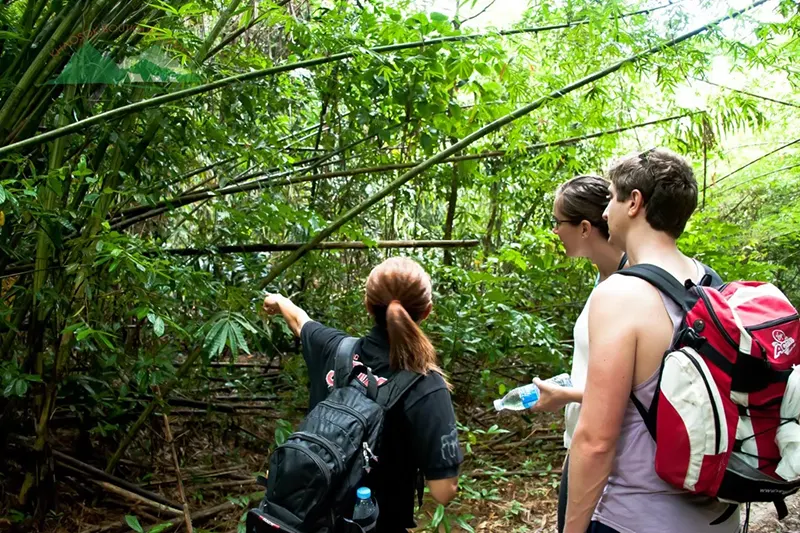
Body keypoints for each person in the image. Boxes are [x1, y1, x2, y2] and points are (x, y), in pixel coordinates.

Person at [564, 148, 740, 533]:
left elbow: (596, 442)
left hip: (637, 517)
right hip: (719, 517)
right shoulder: (713, 286)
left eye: (611, 198)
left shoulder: (620, 294)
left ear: (634, 203)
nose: (605, 212)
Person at [261, 257, 463, 533]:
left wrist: (278, 300)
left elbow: (300, 321)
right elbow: (443, 491)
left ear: (367, 305)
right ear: (426, 311)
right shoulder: (427, 386)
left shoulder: (336, 349)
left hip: (309, 518)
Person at [531, 175, 628, 533]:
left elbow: (637, 390)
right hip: (584, 446)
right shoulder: (604, 279)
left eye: (558, 222)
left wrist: (566, 396)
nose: (555, 231)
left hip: (613, 458)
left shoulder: (629, 287)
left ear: (585, 228)